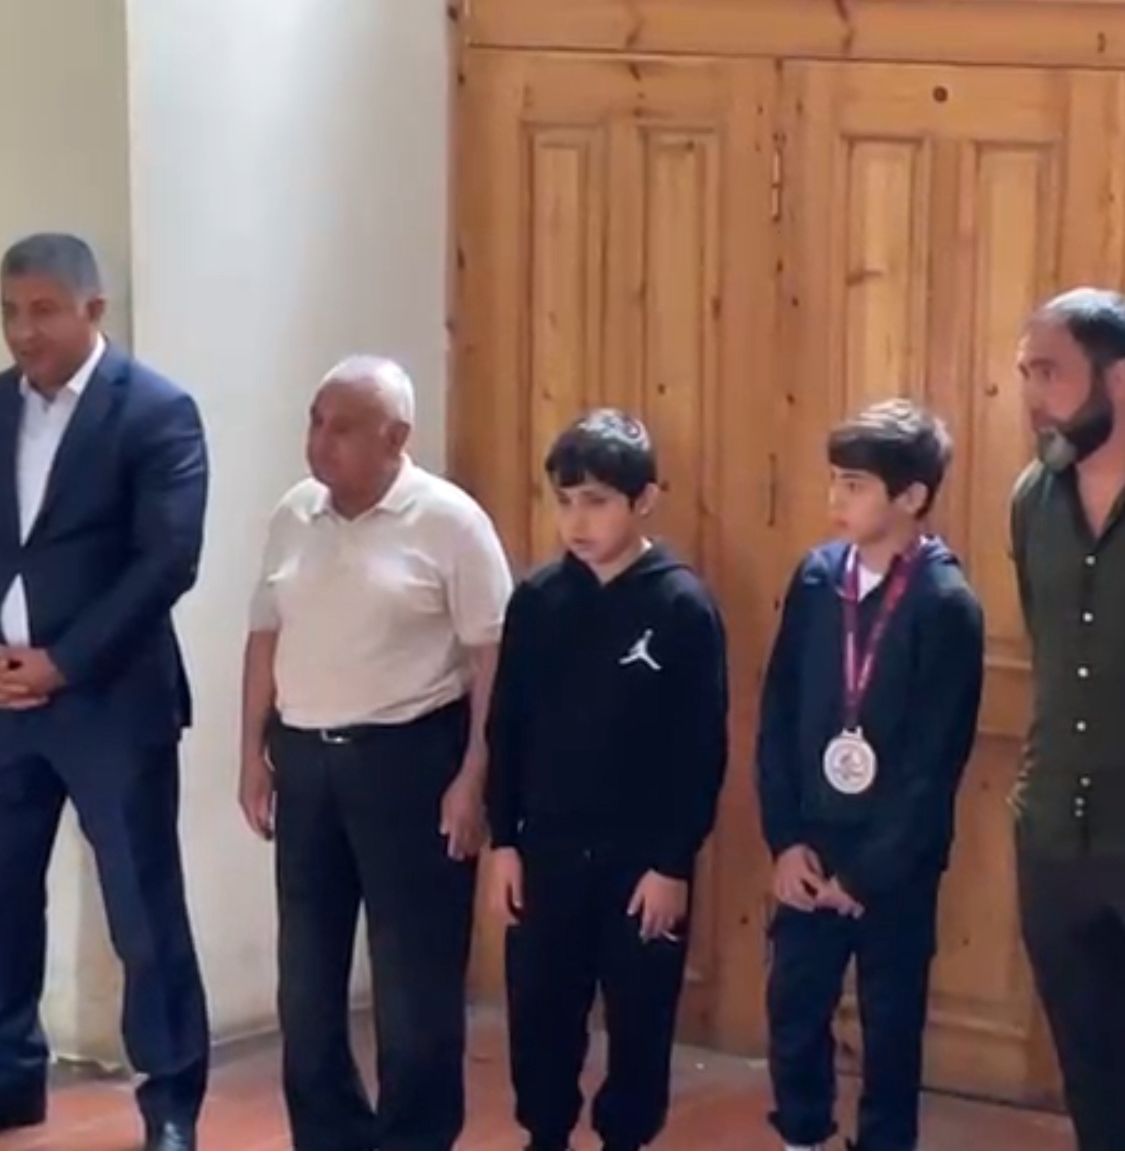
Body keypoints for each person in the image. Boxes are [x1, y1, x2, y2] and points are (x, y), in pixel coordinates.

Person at [238, 355, 512, 1150]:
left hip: (411, 761)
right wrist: (250, 753)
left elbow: (494, 658)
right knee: (306, 984)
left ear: (396, 438)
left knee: (413, 984)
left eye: (343, 428)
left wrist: (474, 777)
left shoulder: (451, 522)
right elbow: (264, 635)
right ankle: (328, 1137)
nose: (319, 442)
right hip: (305, 761)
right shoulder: (294, 513)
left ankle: (412, 1140)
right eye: (315, 421)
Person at [0, 233, 210, 1150]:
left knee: (142, 910)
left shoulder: (157, 411)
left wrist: (65, 661)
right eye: (10, 312)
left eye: (43, 310)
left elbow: (167, 559)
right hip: (6, 704)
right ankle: (11, 1080)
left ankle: (170, 1101)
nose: (23, 331)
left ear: (94, 308)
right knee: (5, 902)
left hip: (112, 704)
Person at [486, 409, 729, 1151]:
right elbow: (507, 727)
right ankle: (546, 1134)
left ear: (642, 500)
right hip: (548, 852)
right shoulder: (537, 600)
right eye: (564, 501)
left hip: (639, 862)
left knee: (639, 1016)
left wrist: (671, 863)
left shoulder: (681, 606)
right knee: (540, 1010)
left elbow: (699, 749)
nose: (576, 521)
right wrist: (504, 842)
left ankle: (625, 1138)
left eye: (595, 502)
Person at [757, 398, 983, 1150]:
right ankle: (801, 1135)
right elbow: (779, 711)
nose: (835, 499)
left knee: (890, 1023)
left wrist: (868, 873)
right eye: (834, 480)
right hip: (811, 840)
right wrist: (784, 839)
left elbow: (934, 760)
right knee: (794, 1007)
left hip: (895, 859)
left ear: (910, 496)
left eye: (854, 485)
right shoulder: (817, 579)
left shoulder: (944, 603)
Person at [1010, 288, 1125, 1150]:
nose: (1031, 395)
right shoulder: (1031, 498)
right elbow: (1045, 642)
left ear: (1116, 380)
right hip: (1052, 830)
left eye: (1049, 372)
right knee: (1088, 1066)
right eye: (1023, 373)